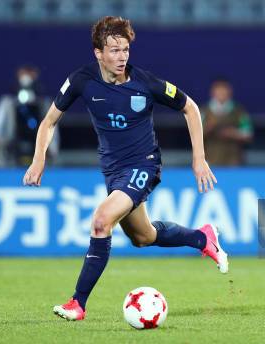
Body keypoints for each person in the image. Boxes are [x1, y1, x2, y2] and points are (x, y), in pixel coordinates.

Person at [22, 16, 228, 321]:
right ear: (98, 53)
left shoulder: (144, 83)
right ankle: (203, 237)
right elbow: (49, 121)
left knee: (101, 221)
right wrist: (39, 158)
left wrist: (199, 158)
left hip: (144, 164)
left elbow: (190, 107)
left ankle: (78, 303)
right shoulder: (82, 80)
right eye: (115, 51)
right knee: (143, 237)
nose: (122, 57)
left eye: (126, 50)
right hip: (113, 171)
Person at [0, 65, 59, 167]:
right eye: (23, 74)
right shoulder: (7, 103)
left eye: (29, 75)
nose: (26, 78)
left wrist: (52, 149)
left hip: (38, 146)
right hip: (12, 147)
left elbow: (52, 125)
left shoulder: (44, 103)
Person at [202, 78, 253, 166]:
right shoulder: (204, 111)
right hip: (210, 161)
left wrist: (233, 133)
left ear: (230, 91)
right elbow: (195, 135)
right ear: (212, 92)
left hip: (233, 161)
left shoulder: (239, 111)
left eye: (224, 89)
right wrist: (209, 127)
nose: (221, 92)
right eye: (218, 89)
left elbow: (248, 134)